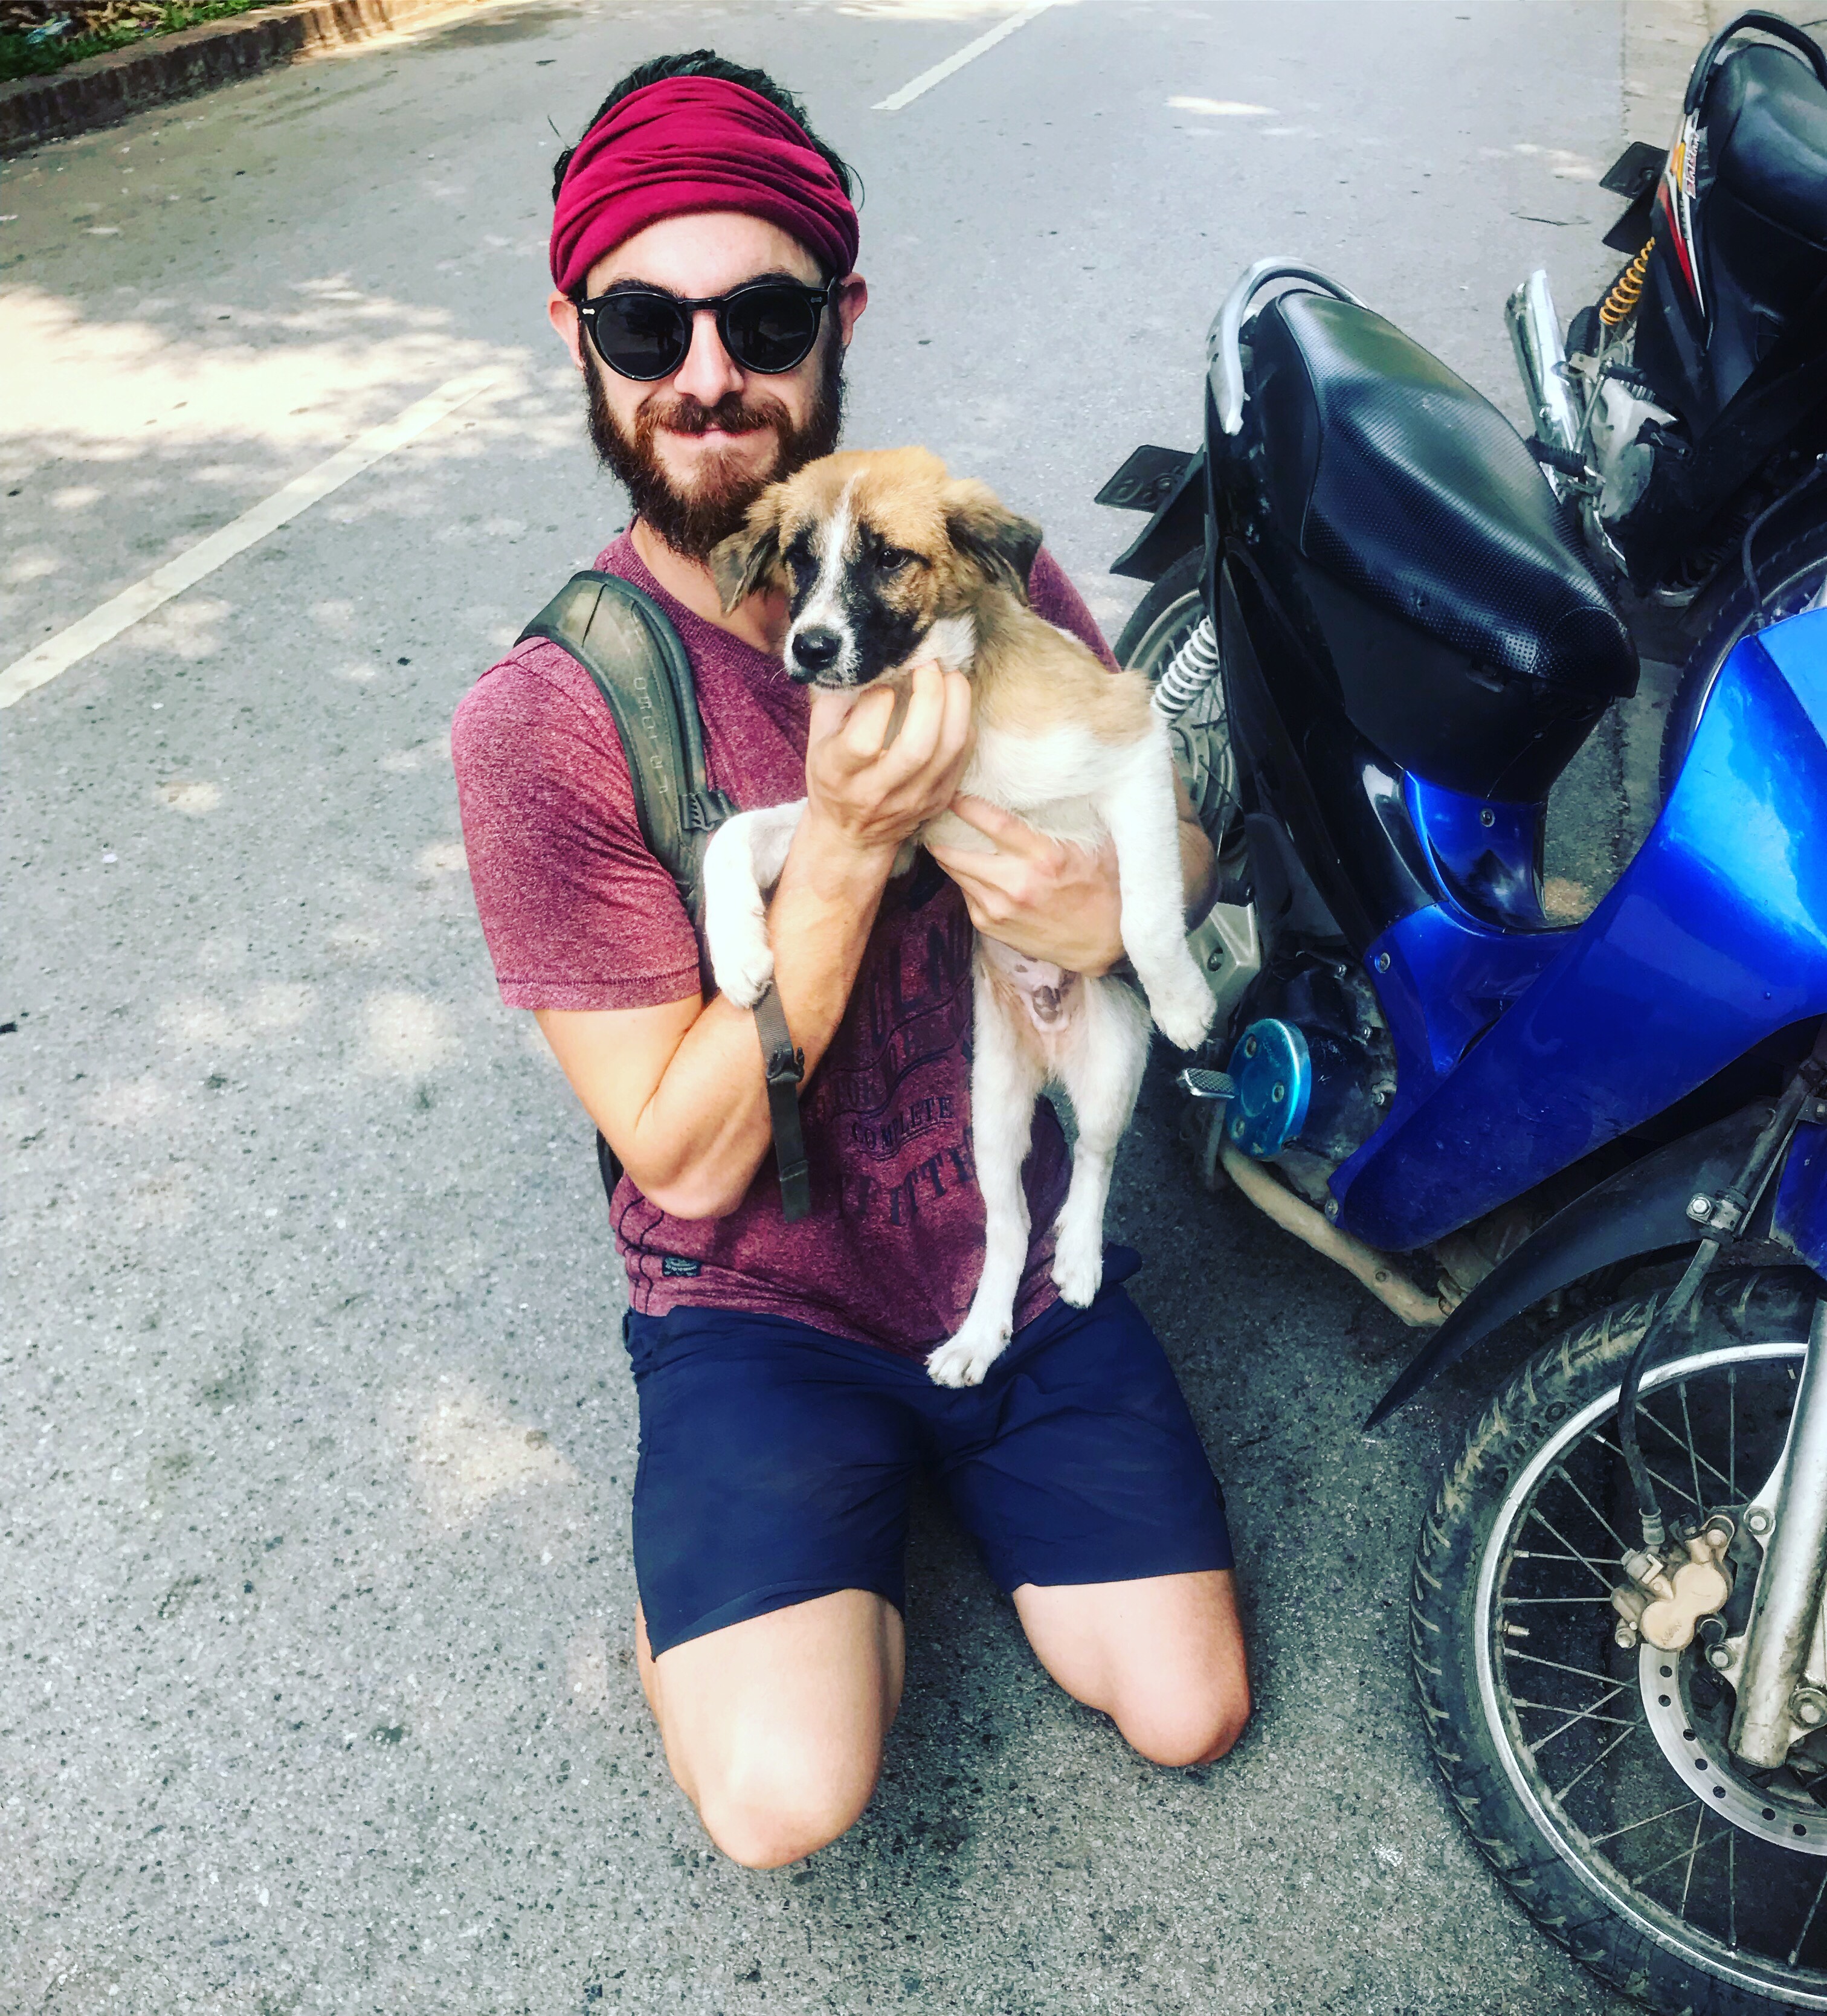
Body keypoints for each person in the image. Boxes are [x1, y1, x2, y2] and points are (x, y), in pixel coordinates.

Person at [451, 50, 1249, 1870]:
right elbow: (687, 1150)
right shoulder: (552, 717)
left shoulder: (953, 558)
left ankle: (941, 1476)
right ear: (580, 334)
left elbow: (1158, 799)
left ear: (842, 317)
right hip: (764, 1303)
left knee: (1188, 1707)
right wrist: (860, 844)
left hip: (1003, 1244)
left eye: (765, 312)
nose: (708, 372)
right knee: (790, 1800)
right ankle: (739, 1599)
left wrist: (1135, 903)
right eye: (647, 320)